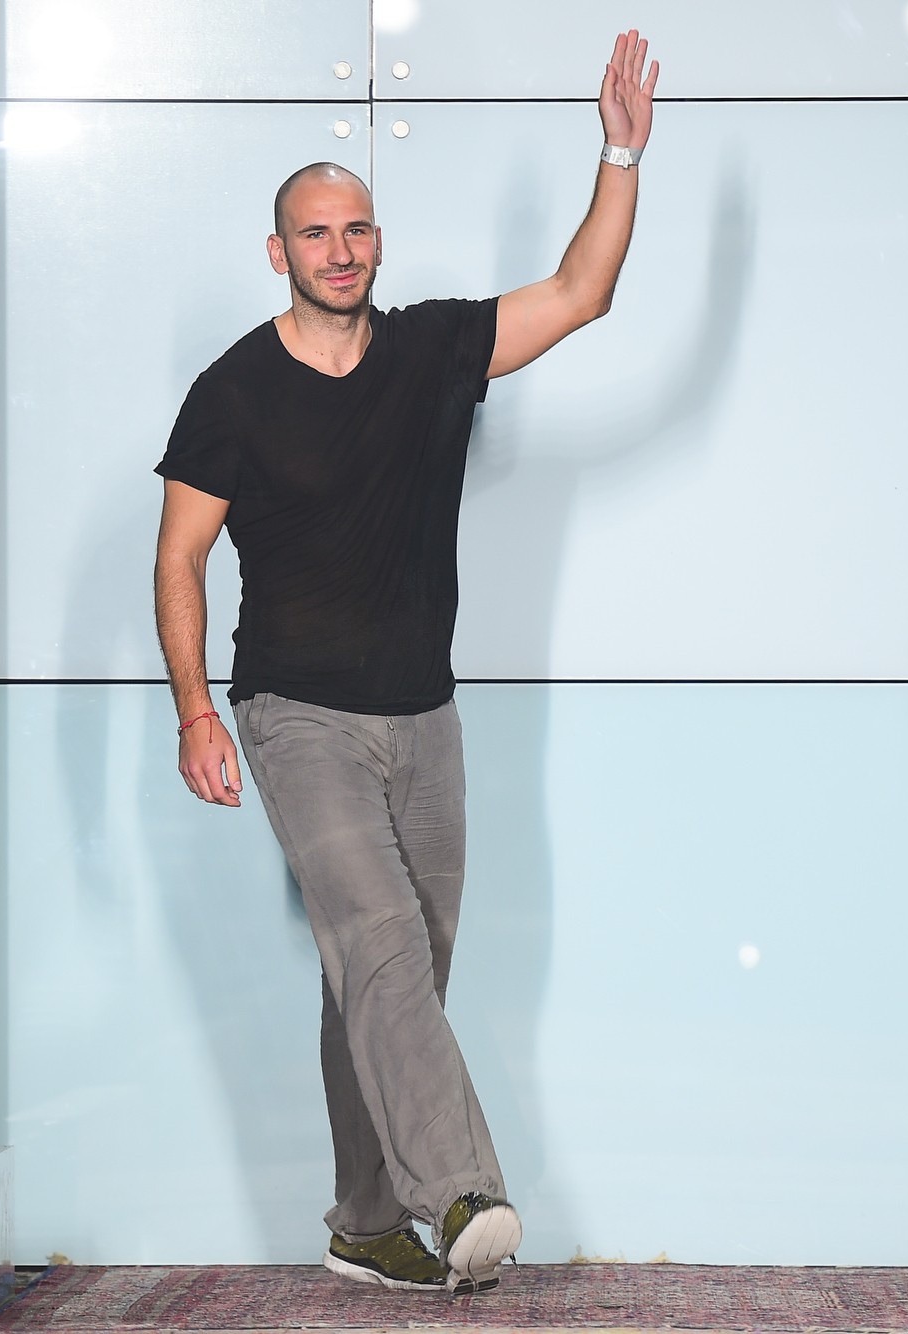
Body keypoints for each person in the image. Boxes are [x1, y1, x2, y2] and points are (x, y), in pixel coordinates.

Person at [150, 32, 659, 1296]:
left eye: (357, 230)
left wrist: (618, 154)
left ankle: (363, 1222)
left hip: (425, 718)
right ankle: (463, 1192)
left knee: (390, 973)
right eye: (315, 234)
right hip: (294, 712)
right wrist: (196, 713)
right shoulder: (232, 390)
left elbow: (579, 291)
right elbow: (179, 558)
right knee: (378, 940)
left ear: (377, 242)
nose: (340, 250)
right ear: (278, 250)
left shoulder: (433, 349)